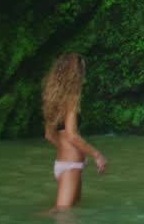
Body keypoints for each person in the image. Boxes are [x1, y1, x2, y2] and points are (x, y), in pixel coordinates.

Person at [42, 52, 107, 208]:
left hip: (65, 163)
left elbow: (48, 135)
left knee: (72, 212)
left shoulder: (53, 100)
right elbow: (72, 135)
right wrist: (96, 155)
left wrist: (65, 150)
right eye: (82, 71)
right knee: (62, 214)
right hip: (70, 165)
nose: (84, 75)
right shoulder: (71, 98)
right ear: (74, 74)